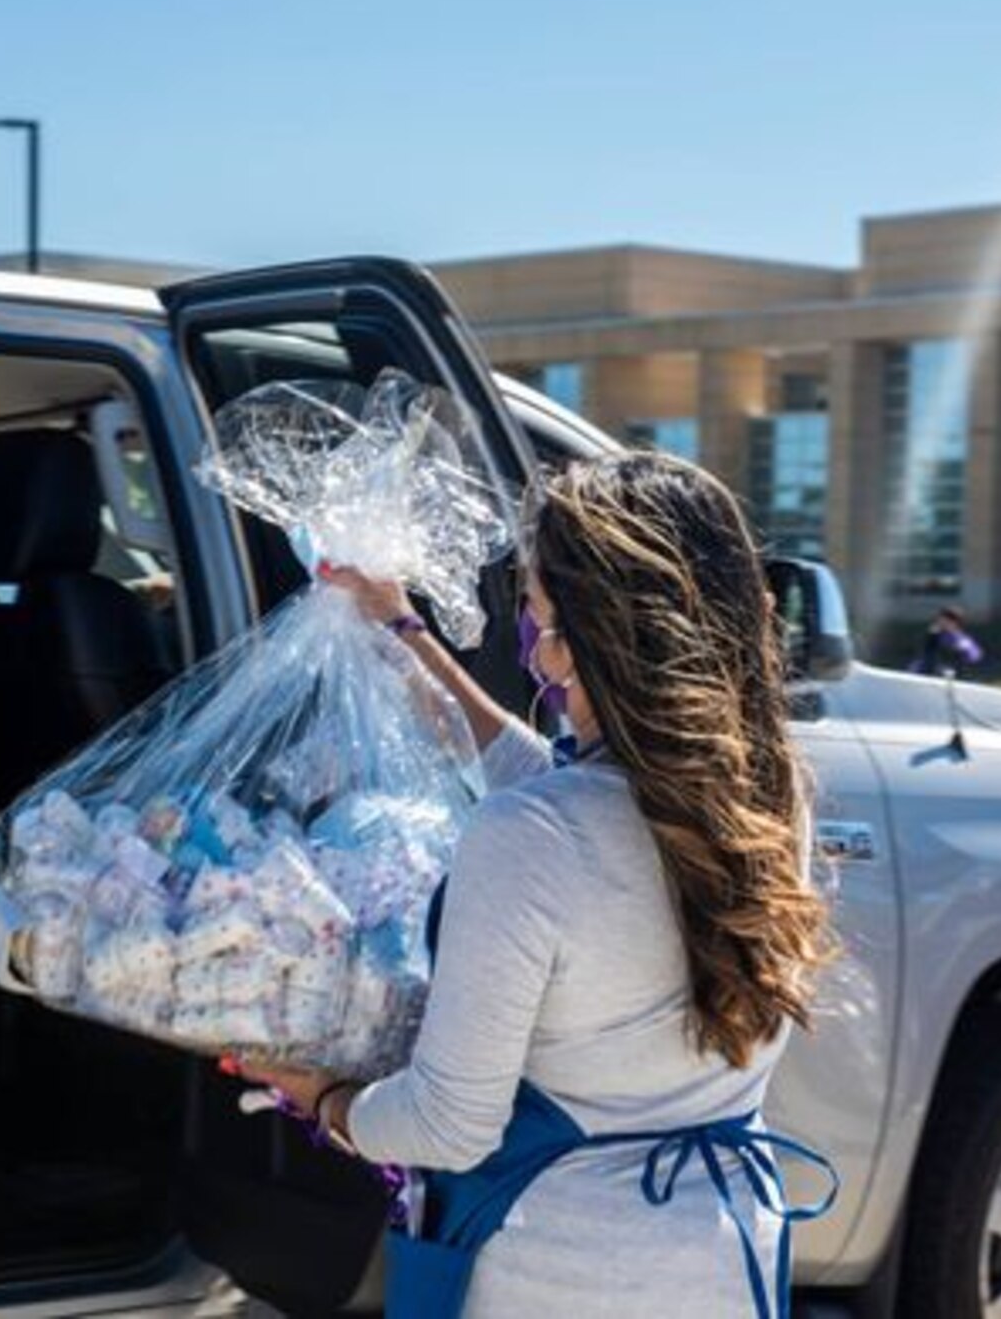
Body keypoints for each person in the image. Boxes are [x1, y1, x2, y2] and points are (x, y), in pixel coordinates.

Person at [241, 453, 836, 1318]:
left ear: (597, 636)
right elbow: (555, 792)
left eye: (545, 620)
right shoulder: (765, 802)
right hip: (724, 1259)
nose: (535, 645)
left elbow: (449, 1126)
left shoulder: (531, 838)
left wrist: (331, 1102)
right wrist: (402, 631)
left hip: (559, 1276)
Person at [909, 604, 984, 678]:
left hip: (953, 674)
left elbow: (974, 657)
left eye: (944, 620)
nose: (940, 622)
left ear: (954, 623)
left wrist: (959, 651)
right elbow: (927, 656)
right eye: (939, 619)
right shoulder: (934, 635)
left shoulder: (962, 639)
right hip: (931, 670)